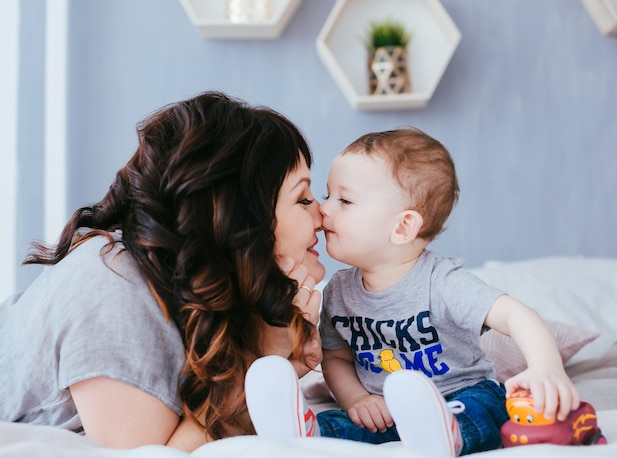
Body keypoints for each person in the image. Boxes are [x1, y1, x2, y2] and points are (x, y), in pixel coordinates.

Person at [0, 91, 325, 451]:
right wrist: (266, 359)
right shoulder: (115, 284)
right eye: (304, 198)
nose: (323, 216)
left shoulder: (191, 293)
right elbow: (153, 454)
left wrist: (279, 368)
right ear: (238, 216)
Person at [245, 127, 580, 456]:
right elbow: (336, 359)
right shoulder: (338, 292)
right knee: (342, 422)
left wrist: (545, 365)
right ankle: (303, 433)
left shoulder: (442, 282)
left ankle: (445, 431)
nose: (324, 209)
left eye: (344, 200)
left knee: (489, 408)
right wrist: (357, 400)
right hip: (387, 408)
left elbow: (515, 314)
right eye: (327, 194)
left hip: (459, 394)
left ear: (403, 226)